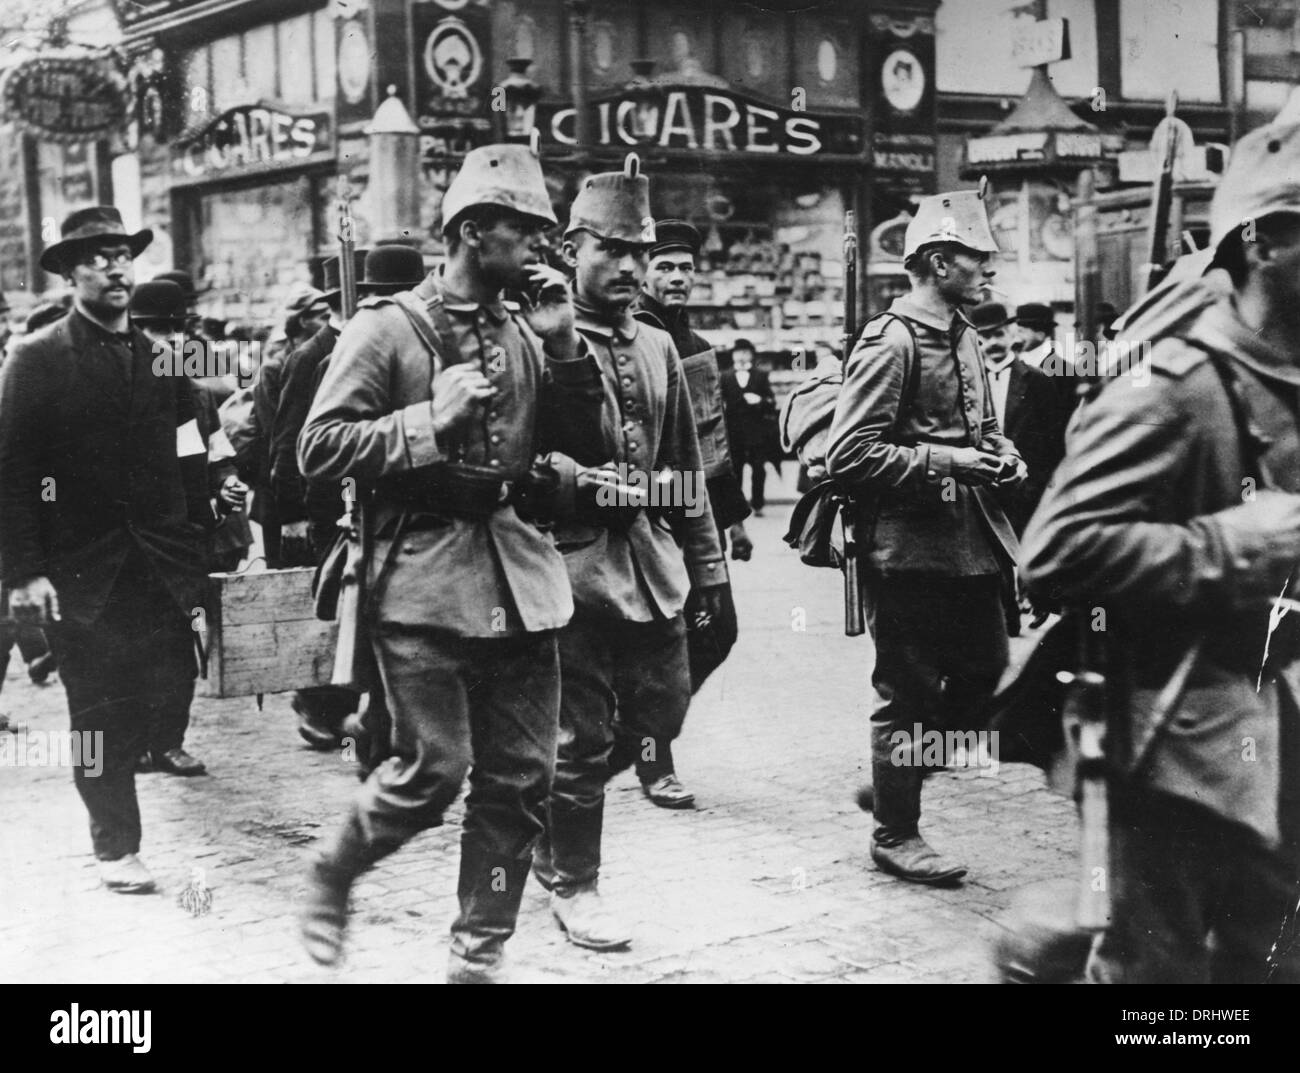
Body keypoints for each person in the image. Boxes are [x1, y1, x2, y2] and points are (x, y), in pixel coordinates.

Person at [296, 143, 609, 983]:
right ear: (474, 232)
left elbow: (589, 450)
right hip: (422, 577)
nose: (542, 251)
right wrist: (426, 424)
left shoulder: (526, 328)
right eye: (526, 233)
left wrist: (567, 347)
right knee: (434, 771)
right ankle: (336, 865)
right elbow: (317, 447)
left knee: (522, 778)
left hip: (519, 574)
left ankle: (478, 953)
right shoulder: (386, 328)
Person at [1020, 113, 1300, 984]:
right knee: (1162, 979)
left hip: (1281, 720)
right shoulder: (1169, 388)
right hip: (1181, 737)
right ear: (1265, 239)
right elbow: (1057, 551)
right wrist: (1227, 542)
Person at [534, 157, 727, 950]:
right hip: (564, 567)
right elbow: (519, 463)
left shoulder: (654, 345)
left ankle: (551, 814)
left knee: (662, 708)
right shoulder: (536, 336)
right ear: (572, 247)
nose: (631, 269)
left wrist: (708, 563)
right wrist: (583, 488)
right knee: (580, 737)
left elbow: (686, 468)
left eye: (641, 255)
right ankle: (577, 883)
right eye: (613, 251)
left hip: (650, 564)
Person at [0, 207, 215, 892]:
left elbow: (190, 450)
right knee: (95, 710)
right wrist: (26, 572)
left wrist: (204, 535)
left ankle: (125, 799)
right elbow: (13, 471)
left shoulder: (165, 357)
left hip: (158, 565)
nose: (115, 267)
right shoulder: (35, 359)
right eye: (96, 257)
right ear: (69, 272)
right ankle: (115, 845)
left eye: (123, 253)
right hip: (80, 573)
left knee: (156, 697)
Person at [826, 186, 1026, 886]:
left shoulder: (966, 335)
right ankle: (895, 831)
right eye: (977, 258)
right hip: (906, 548)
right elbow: (847, 454)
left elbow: (984, 426)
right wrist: (949, 461)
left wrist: (1003, 455)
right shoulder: (894, 340)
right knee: (907, 690)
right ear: (940, 262)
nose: (988, 269)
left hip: (969, 542)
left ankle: (896, 779)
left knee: (985, 674)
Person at [272, 244, 424, 758]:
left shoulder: (411, 345)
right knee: (345, 616)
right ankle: (321, 709)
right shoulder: (317, 356)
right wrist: (297, 513)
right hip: (334, 511)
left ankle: (370, 720)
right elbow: (295, 441)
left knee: (375, 622)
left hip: (389, 512)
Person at [632, 218, 752, 808]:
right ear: (642, 272)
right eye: (665, 267)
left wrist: (733, 518)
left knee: (718, 630)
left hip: (693, 516)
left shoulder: (698, 347)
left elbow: (711, 443)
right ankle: (654, 760)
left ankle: (639, 737)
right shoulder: (630, 336)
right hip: (638, 518)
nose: (678, 278)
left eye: (685, 268)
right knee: (656, 641)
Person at [971, 301, 1064, 536]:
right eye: (984, 336)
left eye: (998, 334)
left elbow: (1053, 443)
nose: (992, 343)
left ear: (1012, 332)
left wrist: (1035, 488)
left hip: (1025, 494)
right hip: (981, 495)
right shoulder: (969, 381)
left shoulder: (1037, 380)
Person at [721, 338, 777, 515]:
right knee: (735, 469)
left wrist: (760, 400)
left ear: (751, 355)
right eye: (738, 352)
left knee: (758, 468)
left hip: (756, 432)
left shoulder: (760, 375)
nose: (742, 356)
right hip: (734, 431)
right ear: (733, 355)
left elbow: (771, 402)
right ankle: (737, 506)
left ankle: (758, 504)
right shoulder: (725, 376)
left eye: (746, 352)